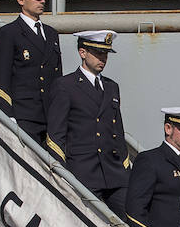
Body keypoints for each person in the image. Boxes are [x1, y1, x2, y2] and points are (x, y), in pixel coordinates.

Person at [46, 30, 131, 215]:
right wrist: (63, 173)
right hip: (83, 171)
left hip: (114, 172)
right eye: (98, 53)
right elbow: (56, 134)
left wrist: (125, 166)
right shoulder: (65, 86)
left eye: (106, 54)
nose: (103, 58)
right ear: (82, 53)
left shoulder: (111, 87)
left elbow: (118, 130)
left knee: (132, 220)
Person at [0, 0, 62, 145]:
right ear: (21, 0)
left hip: (49, 117)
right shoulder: (10, 33)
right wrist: (7, 116)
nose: (42, 1)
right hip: (24, 116)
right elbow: (1, 79)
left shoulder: (51, 34)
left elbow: (58, 77)